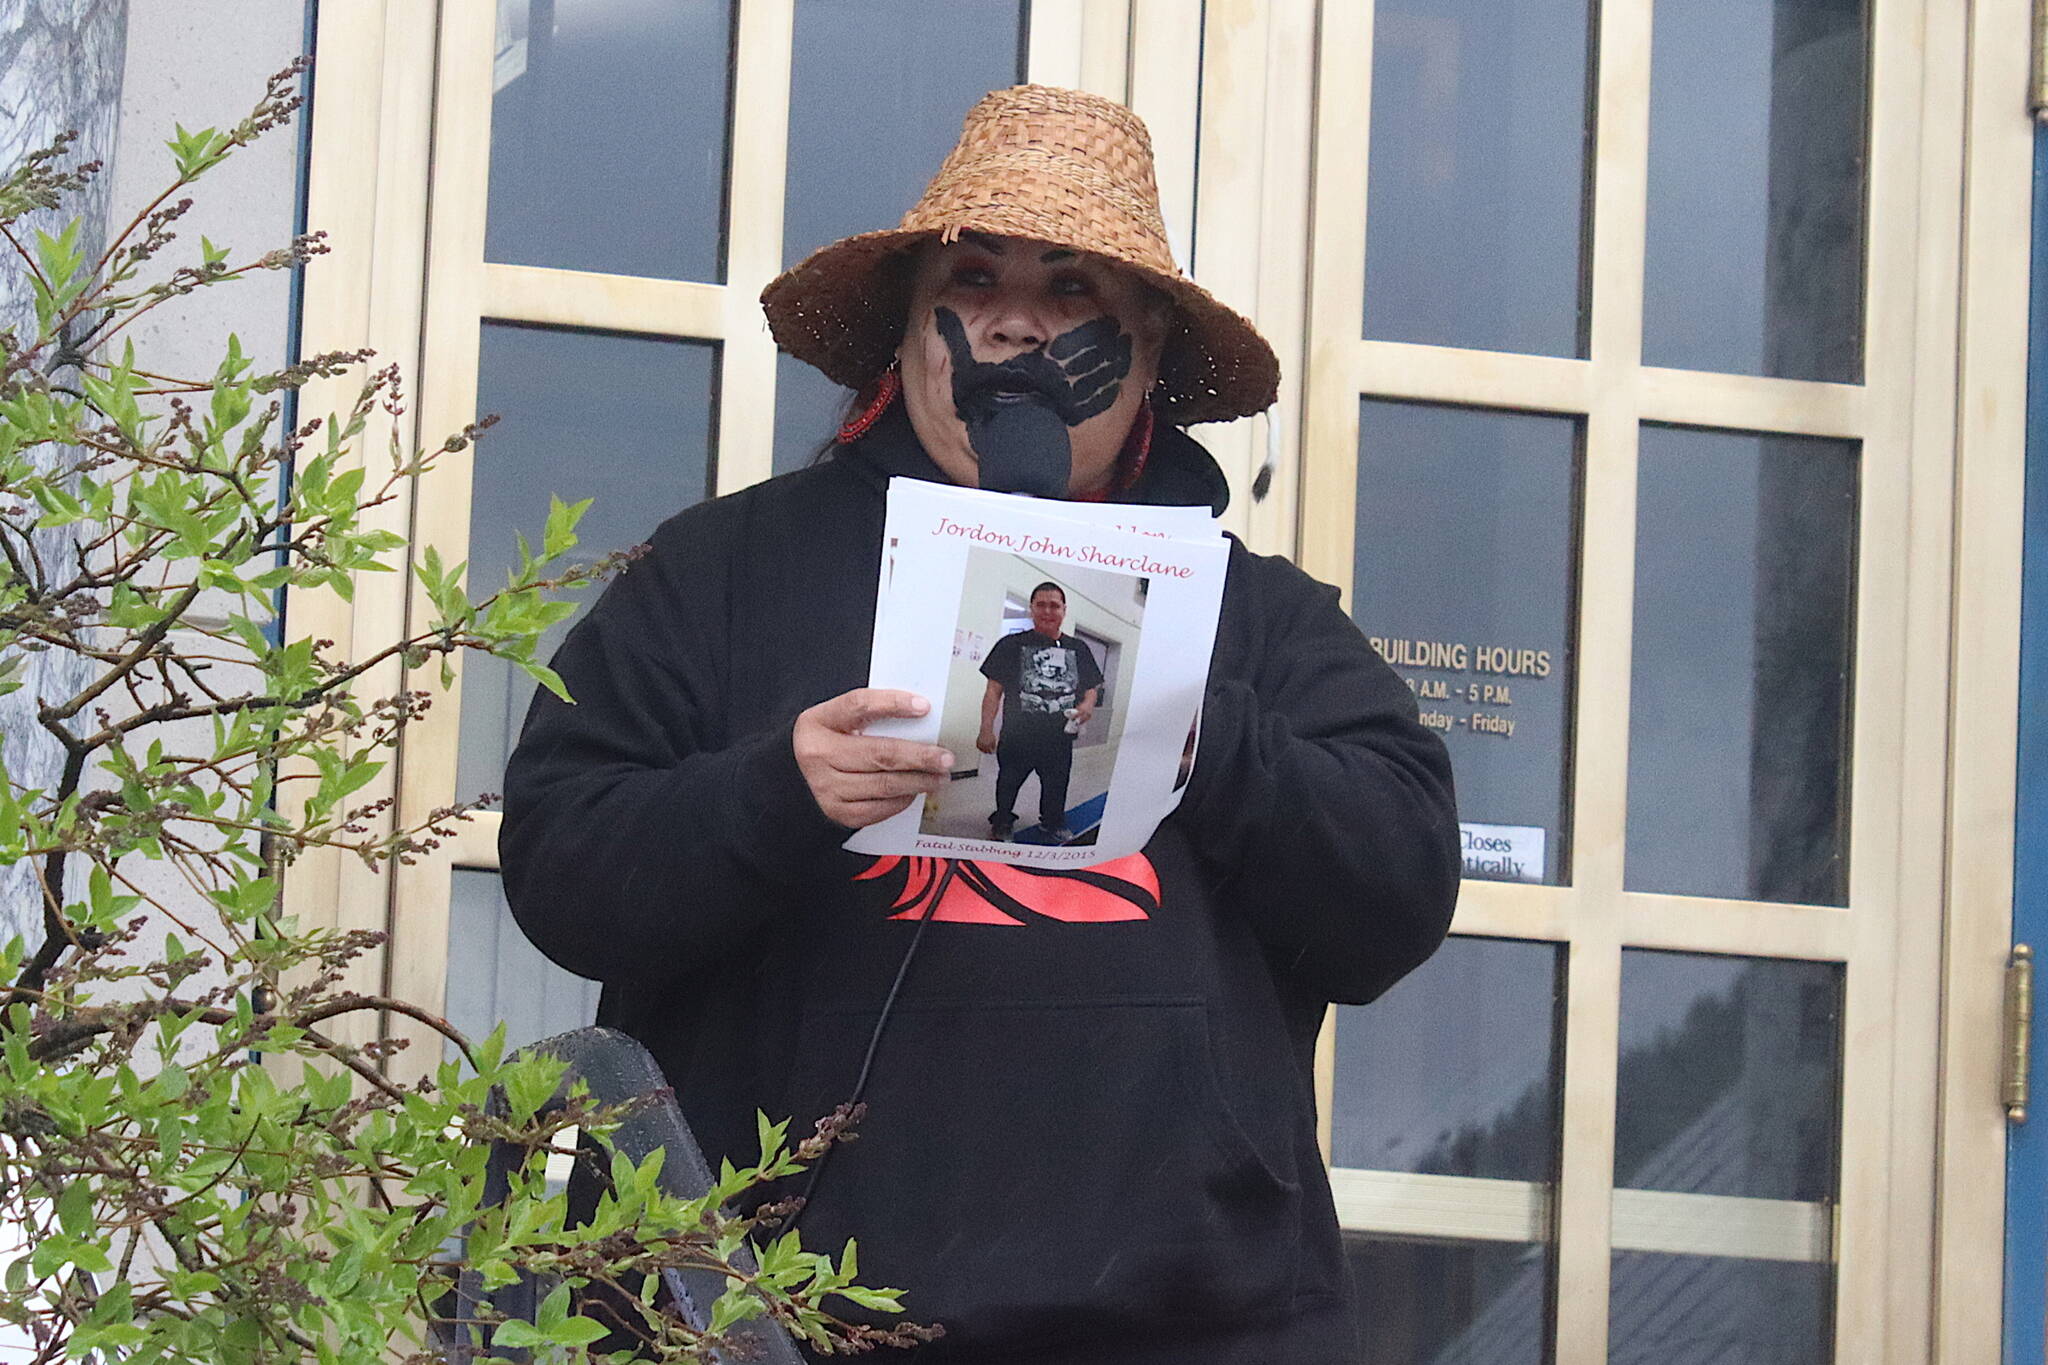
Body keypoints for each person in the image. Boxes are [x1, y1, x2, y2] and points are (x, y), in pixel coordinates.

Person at [501, 85, 1459, 1363]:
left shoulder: (1257, 616)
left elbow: (1396, 898)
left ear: (1149, 355)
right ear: (905, 334)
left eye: (1073, 292)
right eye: (974, 276)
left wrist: (1210, 742)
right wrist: (770, 797)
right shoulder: (724, 571)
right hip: (752, 1313)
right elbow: (563, 868)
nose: (1017, 321)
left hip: (1184, 1323)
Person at [976, 581, 1103, 843]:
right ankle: (1002, 823)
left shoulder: (1078, 649)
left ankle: (1053, 823)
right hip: (1017, 736)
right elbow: (993, 691)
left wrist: (1088, 704)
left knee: (1056, 787)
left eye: (1054, 605)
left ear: (1064, 610)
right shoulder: (1010, 645)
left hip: (1059, 738)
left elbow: (1092, 686)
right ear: (1031, 609)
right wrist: (986, 729)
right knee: (1007, 784)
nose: (1047, 611)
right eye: (1041, 605)